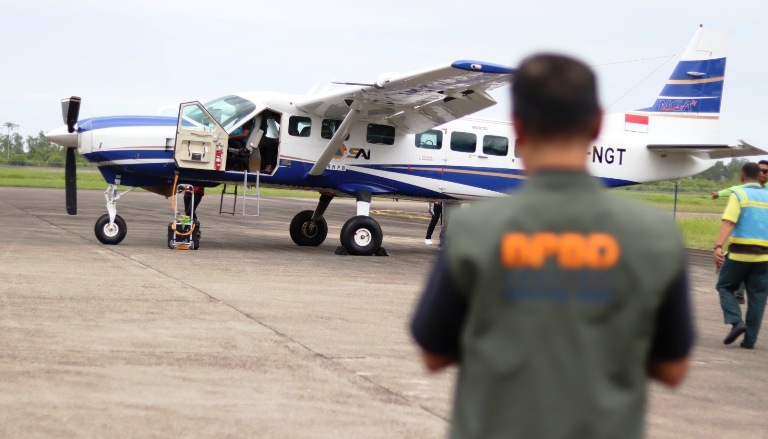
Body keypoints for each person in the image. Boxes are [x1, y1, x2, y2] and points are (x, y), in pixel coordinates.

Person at [410, 53, 693, 439]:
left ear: (518, 127)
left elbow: (433, 354)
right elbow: (673, 369)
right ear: (596, 123)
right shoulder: (655, 236)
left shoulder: (475, 230)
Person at [714, 162, 768, 349]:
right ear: (760, 176)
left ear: (742, 177)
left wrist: (718, 246)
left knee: (725, 286)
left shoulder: (739, 194)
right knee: (758, 297)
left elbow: (729, 223)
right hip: (764, 258)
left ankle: (736, 322)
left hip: (739, 255)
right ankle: (749, 340)